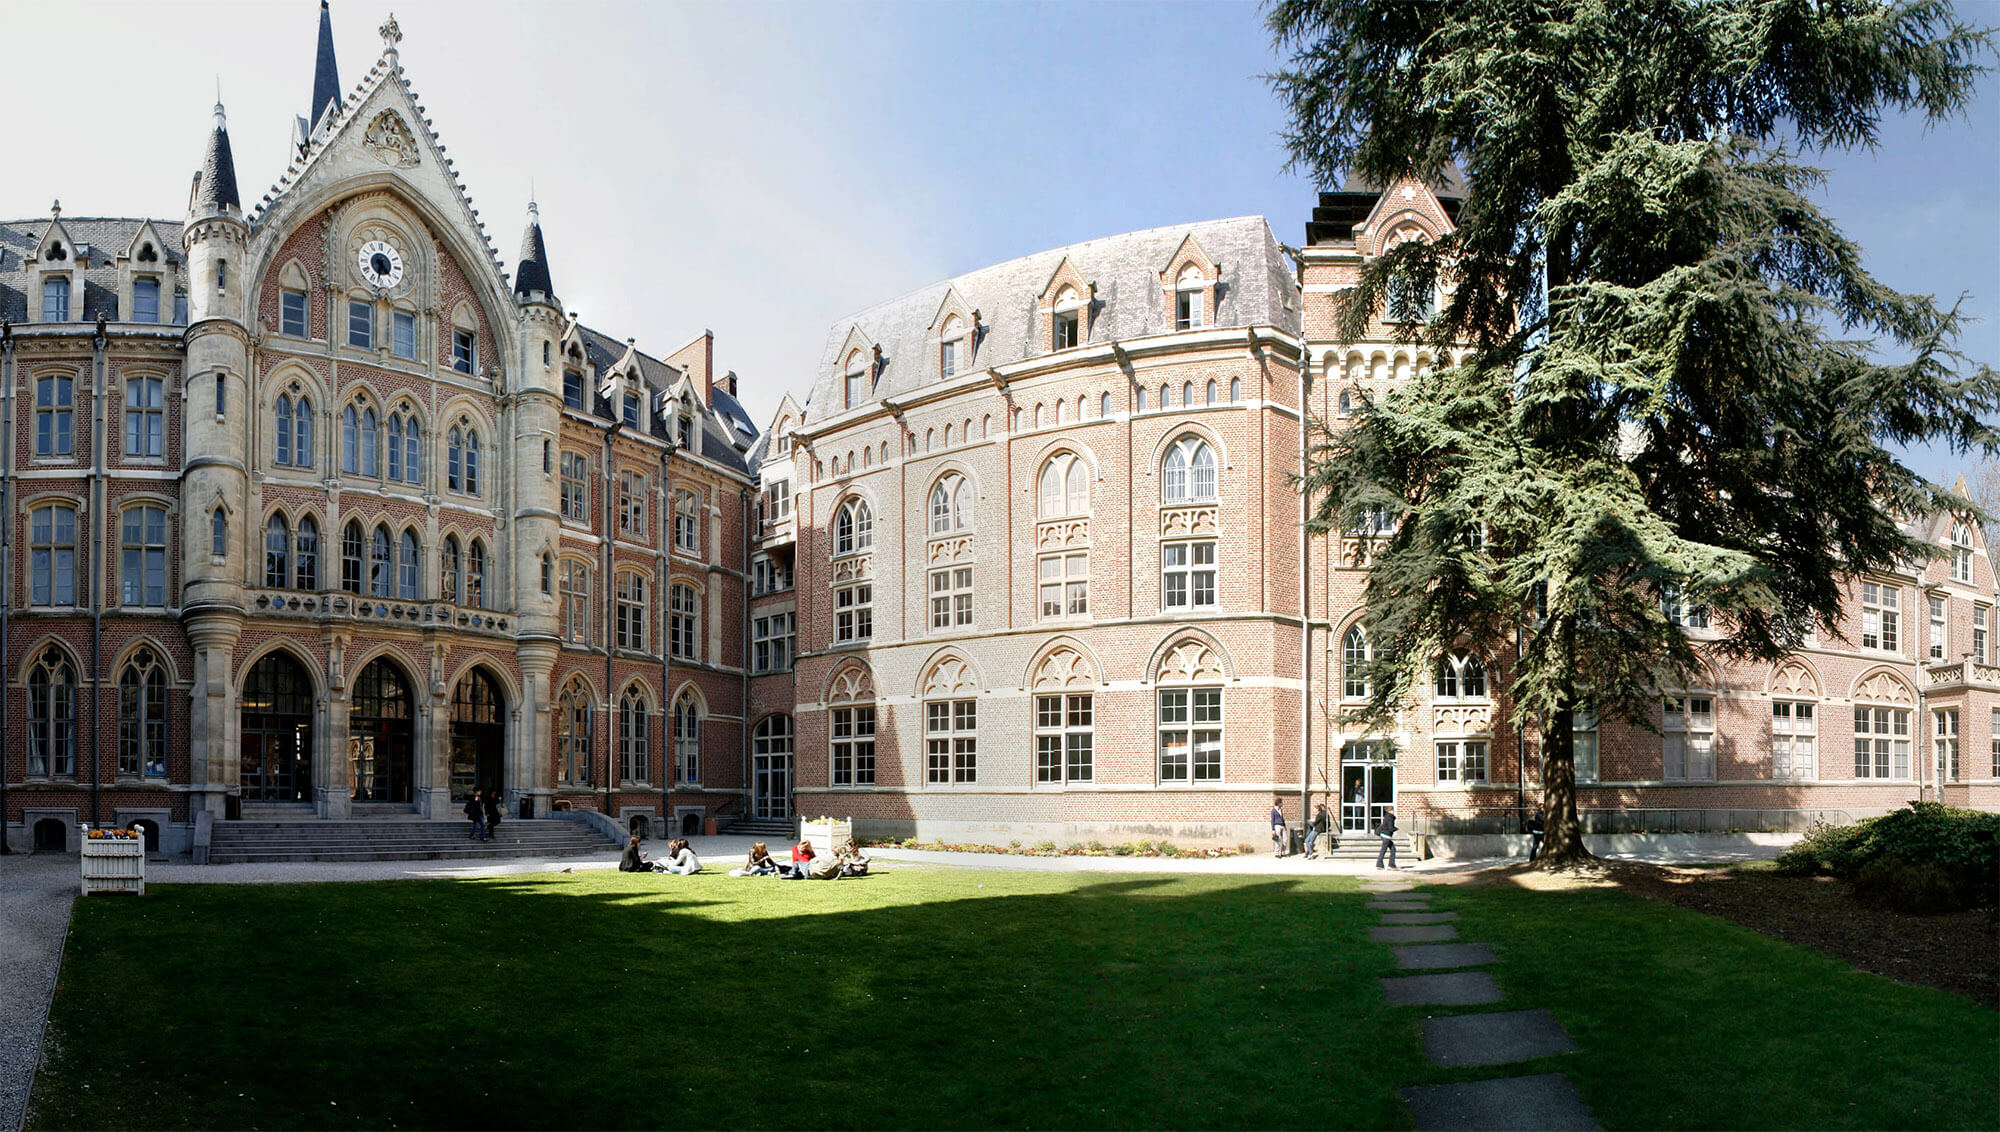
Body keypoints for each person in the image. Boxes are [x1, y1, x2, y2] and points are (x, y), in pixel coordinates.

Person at [1374, 806, 1399, 870]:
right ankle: (1383, 864)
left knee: (1392, 848)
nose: (1394, 811)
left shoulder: (1386, 816)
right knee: (1385, 850)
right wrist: (1395, 829)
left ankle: (1388, 864)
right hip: (1386, 835)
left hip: (1384, 835)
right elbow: (1390, 828)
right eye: (1393, 810)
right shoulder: (1390, 817)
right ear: (1390, 810)